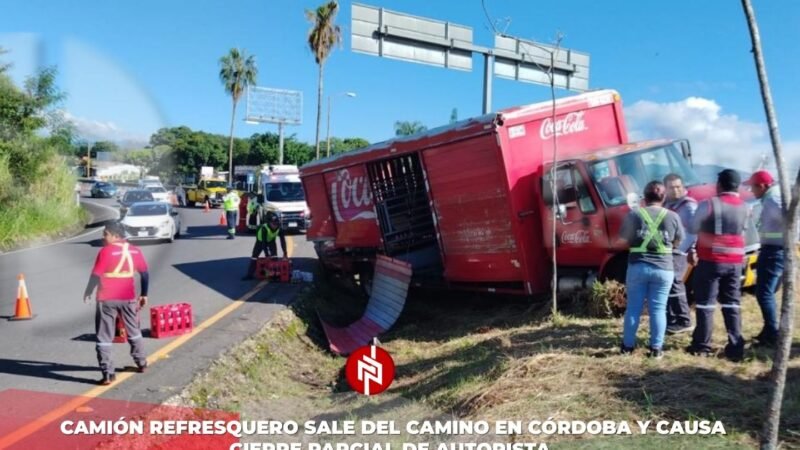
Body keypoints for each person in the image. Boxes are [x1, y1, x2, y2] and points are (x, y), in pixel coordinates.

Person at [686, 169, 748, 361]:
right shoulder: (746, 207)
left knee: (705, 304)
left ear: (718, 185)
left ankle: (702, 345)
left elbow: (693, 227)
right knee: (732, 303)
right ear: (737, 186)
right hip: (735, 262)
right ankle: (736, 348)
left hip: (711, 260)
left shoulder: (709, 204)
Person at [618, 181, 684, 358]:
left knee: (633, 308)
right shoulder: (673, 216)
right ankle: (656, 349)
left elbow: (623, 240)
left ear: (644, 197)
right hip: (664, 269)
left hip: (638, 266)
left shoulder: (634, 215)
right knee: (659, 309)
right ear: (664, 197)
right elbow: (678, 241)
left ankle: (627, 347)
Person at [82, 221, 149, 385]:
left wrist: (88, 292)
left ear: (115, 236)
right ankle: (141, 363)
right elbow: (145, 274)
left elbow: (96, 275)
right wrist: (144, 294)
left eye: (106, 234)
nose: (103, 237)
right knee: (134, 331)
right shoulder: (135, 250)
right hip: (128, 298)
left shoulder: (105, 252)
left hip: (107, 298)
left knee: (104, 336)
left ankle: (108, 374)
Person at [744, 169, 784, 347]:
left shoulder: (772, 200)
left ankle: (772, 333)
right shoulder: (773, 197)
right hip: (776, 249)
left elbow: (788, 225)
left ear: (762, 186)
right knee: (766, 291)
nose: (751, 192)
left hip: (775, 250)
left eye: (752, 188)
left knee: (764, 292)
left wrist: (764, 236)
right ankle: (769, 330)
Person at [662, 173, 698, 334]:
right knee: (669, 285)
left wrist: (682, 249)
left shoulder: (688, 206)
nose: (675, 191)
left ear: (683, 187)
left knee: (675, 284)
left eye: (678, 187)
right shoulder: (667, 205)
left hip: (680, 252)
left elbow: (694, 232)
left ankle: (684, 320)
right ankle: (672, 319)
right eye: (671, 187)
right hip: (669, 251)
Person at [242, 213, 288, 280]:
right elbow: (264, 244)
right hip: (260, 242)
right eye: (273, 224)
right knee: (254, 257)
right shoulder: (264, 228)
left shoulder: (279, 228)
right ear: (269, 223)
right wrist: (267, 255)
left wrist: (285, 253)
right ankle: (249, 275)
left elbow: (282, 241)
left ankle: (275, 274)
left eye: (277, 223)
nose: (275, 225)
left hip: (271, 241)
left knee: (274, 256)